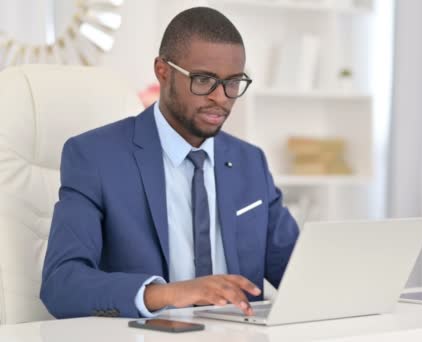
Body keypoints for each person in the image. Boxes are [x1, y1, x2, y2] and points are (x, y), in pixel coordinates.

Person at [40, 7, 299, 319]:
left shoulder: (249, 162)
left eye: (233, 82)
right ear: (162, 70)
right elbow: (61, 285)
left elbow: (300, 273)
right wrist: (169, 293)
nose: (221, 97)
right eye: (204, 80)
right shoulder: (95, 157)